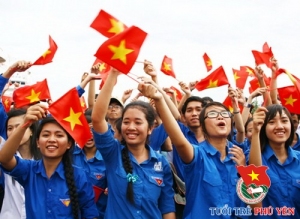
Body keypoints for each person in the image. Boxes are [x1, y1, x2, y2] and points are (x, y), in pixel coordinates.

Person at [138, 82, 246, 218]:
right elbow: (180, 141)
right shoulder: (198, 155)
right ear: (203, 124)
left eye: (224, 114)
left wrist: (244, 172)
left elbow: (253, 201)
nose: (220, 116)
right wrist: (159, 99)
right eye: (212, 114)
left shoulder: (239, 155)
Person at [91, 68, 175, 219]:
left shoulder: (161, 163)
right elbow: (97, 119)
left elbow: (167, 207)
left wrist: (158, 95)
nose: (131, 127)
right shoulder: (113, 153)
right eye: (126, 122)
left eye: (138, 122)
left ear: (150, 128)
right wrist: (113, 75)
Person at [0, 104, 98, 219]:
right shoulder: (29, 171)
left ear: (69, 144)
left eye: (59, 135)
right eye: (46, 135)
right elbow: (4, 158)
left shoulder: (79, 176)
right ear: (37, 142)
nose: (51, 140)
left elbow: (90, 214)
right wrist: (24, 124)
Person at [250, 104, 300, 218]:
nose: (279, 126)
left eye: (284, 121)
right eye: (272, 122)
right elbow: (254, 191)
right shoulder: (252, 157)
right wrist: (255, 131)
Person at [0, 109, 41, 218]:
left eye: (20, 126)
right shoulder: (4, 154)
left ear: (32, 130)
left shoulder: (45, 159)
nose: (14, 131)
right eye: (9, 128)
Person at [73, 115, 107, 219]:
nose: (89, 134)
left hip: (101, 214)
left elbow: (130, 176)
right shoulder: (70, 155)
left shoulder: (109, 158)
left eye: (93, 130)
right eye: (85, 129)